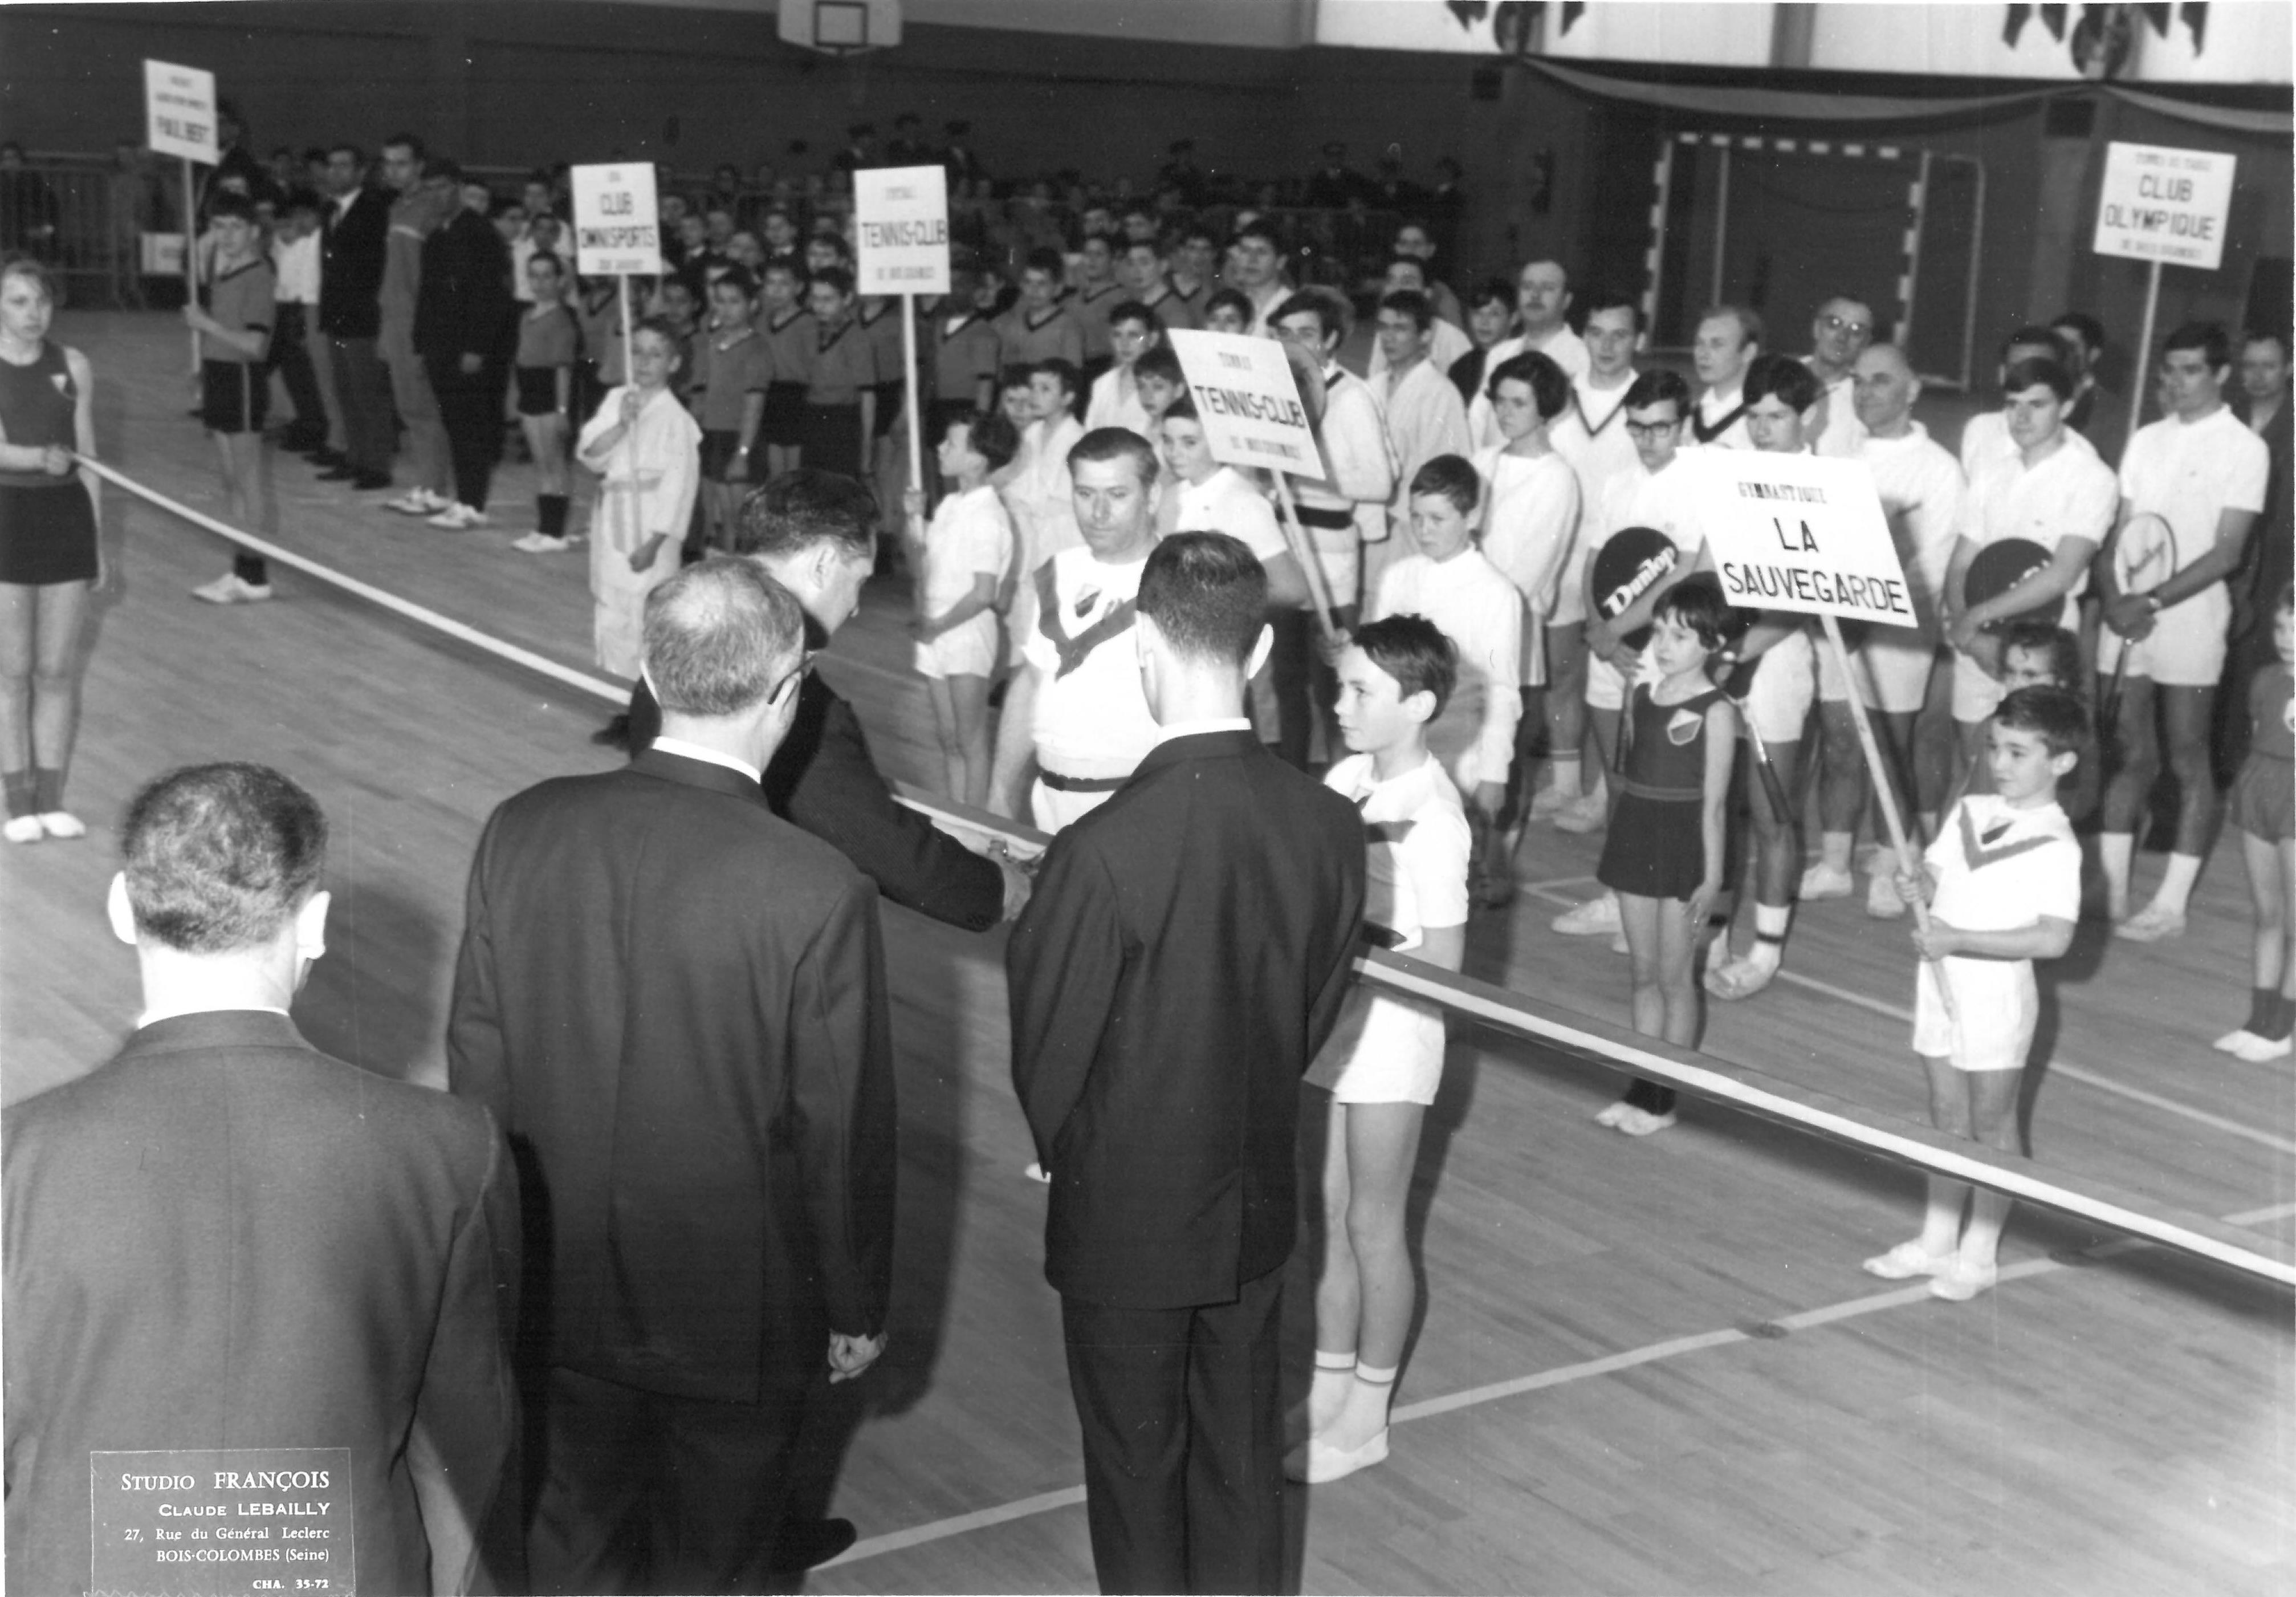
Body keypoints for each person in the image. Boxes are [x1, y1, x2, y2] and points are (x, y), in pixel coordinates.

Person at [455, 559, 895, 1592]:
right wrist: (854, 1302)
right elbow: (838, 1126)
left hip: (553, 1288)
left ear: (647, 671)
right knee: (720, 1565)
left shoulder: (522, 827)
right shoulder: (814, 885)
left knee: (567, 1551)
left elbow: (477, 1065)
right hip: (736, 1316)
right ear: (787, 690)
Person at [5, 762, 520, 1595]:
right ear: (314, 924)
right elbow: (467, 1449)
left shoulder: (15, 1157)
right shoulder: (450, 1147)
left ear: (118, 910)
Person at [1006, 531, 1365, 1594]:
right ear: (1258, 657)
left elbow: (1048, 1057)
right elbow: (1310, 1009)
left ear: (1140, 641)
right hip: (1252, 1198)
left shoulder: (1101, 848)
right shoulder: (1328, 825)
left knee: (1133, 1470)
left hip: (1124, 1216)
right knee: (1242, 1461)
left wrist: (1073, 1154)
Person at [623, 472, 1013, 929]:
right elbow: (893, 855)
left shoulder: (682, 646)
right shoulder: (794, 704)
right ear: (824, 563)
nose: (855, 607)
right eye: (861, 580)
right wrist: (1002, 889)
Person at [1293, 615, 1470, 1485]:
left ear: (1421, 704)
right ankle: (1328, 1388)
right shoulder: (1346, 777)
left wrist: (1351, 951)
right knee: (1328, 1217)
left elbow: (1444, 966)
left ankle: (1368, 1413)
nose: (1340, 701)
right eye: (1342, 684)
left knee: (1374, 1223)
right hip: (1340, 1024)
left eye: (1362, 690)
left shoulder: (1435, 818)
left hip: (1395, 1036)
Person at [1867, 684, 2085, 1303]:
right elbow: (1936, 873)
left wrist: (1957, 934)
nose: (1999, 763)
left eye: (2018, 752)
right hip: (1937, 979)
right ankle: (1935, 1239)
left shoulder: (2055, 842)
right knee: (1944, 1115)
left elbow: (2052, 938)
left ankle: (1979, 1253)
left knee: (1991, 1125)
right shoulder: (1969, 811)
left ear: (2060, 762)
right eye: (1994, 747)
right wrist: (1917, 878)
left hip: (1995, 992)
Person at [2096, 323, 2269, 940]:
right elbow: (2118, 532)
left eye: (2190, 369)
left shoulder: (2244, 448)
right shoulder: (2144, 439)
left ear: (2220, 374)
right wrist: (2118, 598)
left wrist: (2147, 598)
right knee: (2126, 752)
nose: (2174, 381)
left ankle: (2170, 903)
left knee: (2186, 754)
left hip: (2192, 622)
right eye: (2168, 370)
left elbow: (2226, 552)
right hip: (2127, 618)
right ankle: (2111, 893)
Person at [1801, 343, 1965, 918]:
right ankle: (1833, 862)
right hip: (1835, 623)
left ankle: (1892, 862)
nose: (1866, 391)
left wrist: (1858, 612)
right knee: (1840, 737)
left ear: (1911, 389)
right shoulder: (1834, 455)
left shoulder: (1938, 468)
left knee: (1888, 748)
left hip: (1899, 632)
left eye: (1880, 381)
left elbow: (1929, 566)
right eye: (1859, 382)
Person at [1548, 369, 1711, 944]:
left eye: (1659, 427)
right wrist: (1600, 630)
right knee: (1617, 778)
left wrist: (1613, 631)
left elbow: (1686, 571)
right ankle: (1620, 896)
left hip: (1663, 652)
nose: (1646, 439)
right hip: (1609, 646)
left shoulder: (1698, 480)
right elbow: (1596, 557)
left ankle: (1661, 909)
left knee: (1659, 785)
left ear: (1682, 423)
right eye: (1636, 427)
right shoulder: (1617, 481)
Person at [1593, 580, 1740, 1135]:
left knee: (1676, 977)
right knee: (1641, 972)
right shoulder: (1639, 696)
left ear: (1711, 642)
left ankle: (1662, 1096)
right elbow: (1631, 773)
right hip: (1637, 834)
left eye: (1678, 635)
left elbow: (1716, 804)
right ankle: (1638, 1082)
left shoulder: (1717, 710)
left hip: (1684, 843)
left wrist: (1711, 877)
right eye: (1658, 630)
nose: (1662, 644)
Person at [1944, 355, 2115, 806]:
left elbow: (2062, 574)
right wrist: (1969, 630)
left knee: (2030, 781)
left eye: (2036, 404)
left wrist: (1978, 616)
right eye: (2012, 403)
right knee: (1975, 767)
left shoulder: (2092, 477)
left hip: (2044, 645)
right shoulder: (1991, 471)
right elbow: (1961, 562)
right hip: (1978, 640)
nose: (2020, 417)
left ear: (2068, 405)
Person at [988, 427, 1165, 831]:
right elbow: (1031, 685)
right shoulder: (1059, 570)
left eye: (1117, 495)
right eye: (1085, 494)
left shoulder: (1179, 581)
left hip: (1136, 807)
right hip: (1050, 802)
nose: (1098, 512)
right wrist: (1000, 792)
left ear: (1152, 496)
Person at [1366, 456, 1522, 899]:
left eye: (1437, 518)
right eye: (1416, 517)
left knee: (1444, 883)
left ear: (1472, 517)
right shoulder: (1399, 576)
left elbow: (1502, 689)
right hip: (1397, 749)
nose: (1423, 529)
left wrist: (1494, 771)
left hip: (1460, 754)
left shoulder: (1495, 592)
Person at [1272, 288, 1395, 765]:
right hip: (1285, 551)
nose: (1294, 343)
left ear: (1331, 340)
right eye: (1284, 334)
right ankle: (1291, 778)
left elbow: (1381, 482)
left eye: (1306, 333)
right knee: (1287, 681)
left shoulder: (1351, 395)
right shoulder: (1277, 389)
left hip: (1331, 557)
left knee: (1334, 685)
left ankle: (1346, 788)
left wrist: (1309, 470)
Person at [0, 255, 99, 842]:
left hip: (65, 522)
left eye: (40, 301)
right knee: (12, 673)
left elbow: (87, 458)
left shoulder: (75, 365)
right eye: (17, 301)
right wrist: (41, 458)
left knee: (57, 670)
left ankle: (51, 799)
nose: (32, 313)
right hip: (7, 518)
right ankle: (17, 805)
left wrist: (98, 538)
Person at [1474, 350, 1581, 891]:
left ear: (1546, 410)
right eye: (1500, 399)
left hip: (1512, 633)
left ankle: (1497, 864)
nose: (1505, 411)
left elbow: (1531, 569)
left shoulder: (1557, 478)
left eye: (1520, 402)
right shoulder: (1483, 461)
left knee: (1506, 753)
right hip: (1462, 629)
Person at [905, 408, 1017, 806]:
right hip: (938, 628)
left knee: (970, 742)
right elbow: (921, 563)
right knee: (948, 738)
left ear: (977, 459)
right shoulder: (952, 504)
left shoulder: (989, 515)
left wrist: (937, 626)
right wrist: (913, 520)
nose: (940, 447)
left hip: (965, 632)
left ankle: (976, 826)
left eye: (951, 443)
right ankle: (956, 818)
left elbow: (984, 593)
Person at [577, 317, 699, 684]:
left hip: (649, 527)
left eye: (656, 354)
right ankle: (614, 691)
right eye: (638, 352)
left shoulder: (677, 420)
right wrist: (622, 425)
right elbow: (589, 453)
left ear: (674, 364)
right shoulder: (618, 400)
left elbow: (680, 489)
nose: (645, 362)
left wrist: (655, 542)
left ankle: (643, 702)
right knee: (612, 607)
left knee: (646, 611)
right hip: (614, 517)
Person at [182, 194, 280, 604]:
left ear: (254, 231)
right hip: (221, 378)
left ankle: (255, 576)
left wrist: (206, 325)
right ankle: (240, 568)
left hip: (242, 380)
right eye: (219, 226)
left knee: (248, 480)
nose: (226, 235)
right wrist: (203, 371)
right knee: (230, 483)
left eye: (236, 227)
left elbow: (256, 345)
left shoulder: (258, 276)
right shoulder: (222, 270)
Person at [414, 157, 515, 530]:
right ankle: (463, 498)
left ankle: (474, 502)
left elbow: (491, 297)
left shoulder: (481, 233)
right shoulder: (438, 234)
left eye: (442, 187)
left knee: (473, 426)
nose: (436, 196)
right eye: (429, 190)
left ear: (457, 187)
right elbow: (428, 295)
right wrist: (421, 343)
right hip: (440, 348)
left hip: (470, 351)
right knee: (455, 425)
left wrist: (476, 348)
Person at [2216, 585, 2294, 1062]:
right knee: (2267, 913)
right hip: (2259, 789)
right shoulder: (2265, 678)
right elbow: (2255, 734)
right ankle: (2258, 1016)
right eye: (2282, 627)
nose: (2287, 638)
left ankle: (2281, 1027)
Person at [376, 135, 459, 519]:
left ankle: (437, 488)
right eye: (388, 163)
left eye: (402, 163)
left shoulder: (432, 208)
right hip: (394, 321)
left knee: (425, 409)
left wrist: (429, 330)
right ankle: (424, 484)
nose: (394, 170)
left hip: (417, 324)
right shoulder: (397, 207)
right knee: (409, 408)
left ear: (419, 166)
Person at [1374, 288, 1473, 574]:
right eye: (1383, 327)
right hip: (1373, 522)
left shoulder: (1440, 392)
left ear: (1425, 336)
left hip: (1412, 525)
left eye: (1401, 328)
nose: (1389, 337)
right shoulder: (1373, 387)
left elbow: (1442, 469)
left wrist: (1400, 514)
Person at [315, 143, 394, 492]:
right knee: (346, 391)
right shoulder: (330, 209)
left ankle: (376, 465)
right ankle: (355, 457)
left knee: (368, 394)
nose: (336, 173)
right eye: (332, 166)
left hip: (363, 319)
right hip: (337, 317)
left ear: (361, 172)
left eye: (344, 166)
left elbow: (375, 269)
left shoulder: (374, 210)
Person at [1465, 259, 1590, 447]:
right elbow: (1478, 421)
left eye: (1547, 288)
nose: (1535, 295)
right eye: (1527, 287)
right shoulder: (1499, 354)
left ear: (1566, 300)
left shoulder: (1582, 358)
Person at [692, 265, 773, 552]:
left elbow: (754, 406)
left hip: (739, 438)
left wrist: (743, 453)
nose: (726, 309)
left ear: (752, 305)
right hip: (712, 435)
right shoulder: (713, 342)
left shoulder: (757, 348)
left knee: (737, 521)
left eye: (734, 301)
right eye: (721, 301)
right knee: (716, 516)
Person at [510, 251, 580, 554]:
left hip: (550, 395)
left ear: (560, 281)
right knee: (541, 465)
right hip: (530, 392)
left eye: (546, 276)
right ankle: (543, 526)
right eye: (534, 275)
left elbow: (562, 368)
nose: (539, 283)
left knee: (555, 464)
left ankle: (555, 531)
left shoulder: (562, 320)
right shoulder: (527, 315)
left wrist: (563, 410)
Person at [798, 265, 878, 481]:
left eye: (828, 300)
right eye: (815, 299)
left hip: (843, 425)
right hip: (812, 419)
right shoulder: (809, 332)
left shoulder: (857, 339)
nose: (820, 307)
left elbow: (868, 397)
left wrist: (867, 449)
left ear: (847, 299)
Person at [1804, 294, 1875, 458]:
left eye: (1856, 331)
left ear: (1866, 343)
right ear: (1816, 328)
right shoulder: (1775, 376)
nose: (1842, 337)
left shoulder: (1864, 402)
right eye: (1834, 324)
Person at [996, 246, 1086, 371]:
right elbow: (1006, 370)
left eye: (1042, 284)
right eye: (1028, 282)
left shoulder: (1068, 327)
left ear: (1057, 289)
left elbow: (1073, 374)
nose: (1034, 290)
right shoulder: (1014, 326)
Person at [1083, 300, 1161, 435]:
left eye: (1134, 336)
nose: (1124, 344)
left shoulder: (1161, 386)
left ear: (1153, 339)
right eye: (1117, 335)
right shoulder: (1102, 384)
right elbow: (1088, 434)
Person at [1689, 304, 1761, 449]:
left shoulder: (1762, 417)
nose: (1703, 354)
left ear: (1748, 352)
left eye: (1717, 345)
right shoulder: (1688, 413)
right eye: (1699, 343)